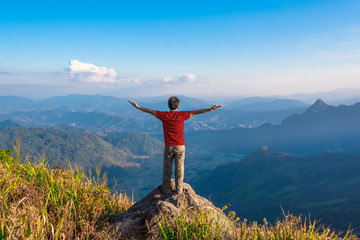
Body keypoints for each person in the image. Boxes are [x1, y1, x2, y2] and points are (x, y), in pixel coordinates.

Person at [128, 96, 222, 194]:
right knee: (179, 168)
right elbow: (197, 111)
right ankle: (179, 191)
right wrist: (211, 109)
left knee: (167, 168)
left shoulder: (164, 115)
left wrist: (138, 107)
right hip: (180, 146)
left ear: (169, 106)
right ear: (178, 106)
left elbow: (150, 111)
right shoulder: (182, 115)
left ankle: (165, 190)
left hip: (168, 146)